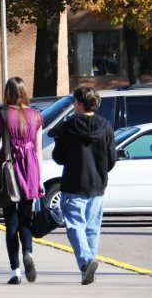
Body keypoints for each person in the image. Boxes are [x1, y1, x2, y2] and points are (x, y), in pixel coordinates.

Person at [52, 87, 116, 285]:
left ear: (80, 104)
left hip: (74, 183)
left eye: (74, 101)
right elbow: (111, 159)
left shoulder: (68, 127)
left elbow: (58, 157)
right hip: (97, 184)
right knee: (92, 228)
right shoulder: (105, 126)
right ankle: (89, 267)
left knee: (74, 226)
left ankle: (86, 262)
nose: (73, 105)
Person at [0, 77, 43, 285]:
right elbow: (39, 151)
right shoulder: (36, 116)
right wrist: (39, 179)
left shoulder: (1, 114)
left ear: (7, 92)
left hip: (8, 170)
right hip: (30, 169)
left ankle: (15, 271)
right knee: (25, 219)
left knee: (10, 222)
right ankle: (28, 252)